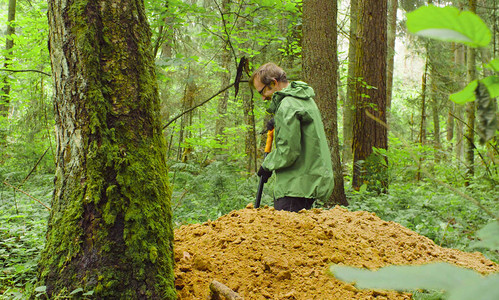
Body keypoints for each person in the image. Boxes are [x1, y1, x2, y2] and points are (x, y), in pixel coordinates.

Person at [250, 62, 334, 212]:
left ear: (273, 83)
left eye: (261, 92)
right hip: (309, 181)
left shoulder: (287, 106)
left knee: (285, 234)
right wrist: (279, 121)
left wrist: (267, 165)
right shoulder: (304, 99)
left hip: (294, 187)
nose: (262, 98)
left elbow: (288, 152)